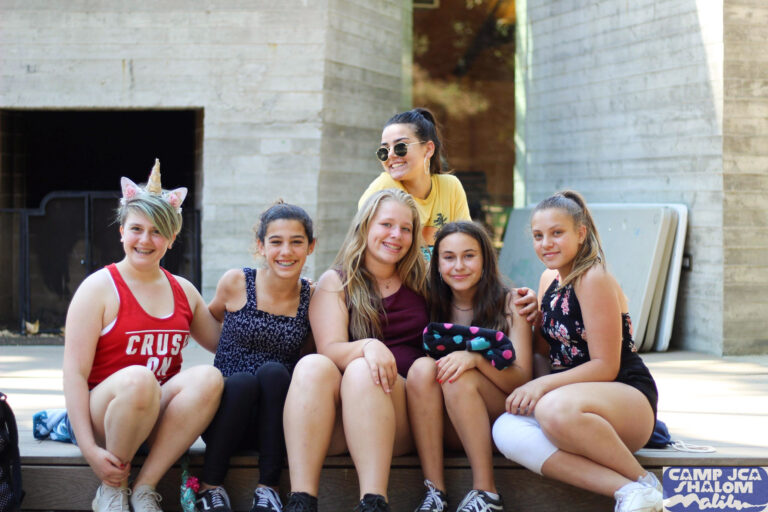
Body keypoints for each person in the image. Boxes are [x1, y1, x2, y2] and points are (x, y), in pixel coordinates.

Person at [62, 160, 224, 512]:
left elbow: (223, 342)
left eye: (157, 231)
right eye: (136, 229)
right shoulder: (98, 288)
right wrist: (89, 449)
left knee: (210, 377)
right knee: (140, 379)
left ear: (172, 238)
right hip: (107, 416)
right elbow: (73, 373)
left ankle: (145, 486)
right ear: (121, 231)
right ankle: (112, 488)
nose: (145, 240)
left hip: (157, 417)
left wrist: (255, 295)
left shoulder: (183, 290)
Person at [491, 191, 662, 512]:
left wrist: (539, 387)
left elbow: (606, 366)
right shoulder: (548, 279)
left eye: (557, 233)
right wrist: (532, 320)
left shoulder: (593, 278)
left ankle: (645, 481)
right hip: (570, 405)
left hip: (623, 396)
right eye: (539, 236)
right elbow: (546, 355)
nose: (546, 243)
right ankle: (628, 491)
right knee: (506, 428)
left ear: (580, 233)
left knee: (551, 409)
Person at [282, 188, 428, 512]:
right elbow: (329, 349)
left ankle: (374, 502)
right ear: (365, 226)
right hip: (339, 424)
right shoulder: (337, 282)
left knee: (363, 370)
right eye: (386, 224)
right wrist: (369, 345)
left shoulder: (424, 281)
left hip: (401, 420)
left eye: (406, 229)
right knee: (312, 366)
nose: (396, 235)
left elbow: (471, 304)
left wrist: (518, 300)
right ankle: (301, 500)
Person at [194, 202, 316, 512]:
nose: (285, 251)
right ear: (261, 246)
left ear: (311, 247)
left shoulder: (312, 298)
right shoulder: (236, 282)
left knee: (274, 373)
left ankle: (269, 487)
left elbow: (310, 356)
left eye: (296, 241)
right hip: (226, 415)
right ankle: (210, 486)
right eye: (276, 241)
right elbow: (210, 325)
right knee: (244, 382)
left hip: (275, 422)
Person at [407, 221, 532, 512]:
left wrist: (475, 359)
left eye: (469, 255)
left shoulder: (511, 303)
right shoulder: (429, 303)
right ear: (436, 263)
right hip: (447, 422)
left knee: (457, 376)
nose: (459, 266)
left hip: (501, 415)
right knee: (421, 369)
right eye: (449, 257)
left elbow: (521, 380)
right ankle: (435, 493)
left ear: (486, 260)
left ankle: (486, 493)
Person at [359, 108, 471, 253]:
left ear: (428, 149)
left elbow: (465, 245)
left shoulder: (450, 186)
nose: (391, 155)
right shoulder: (385, 188)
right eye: (384, 151)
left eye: (400, 147)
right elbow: (366, 251)